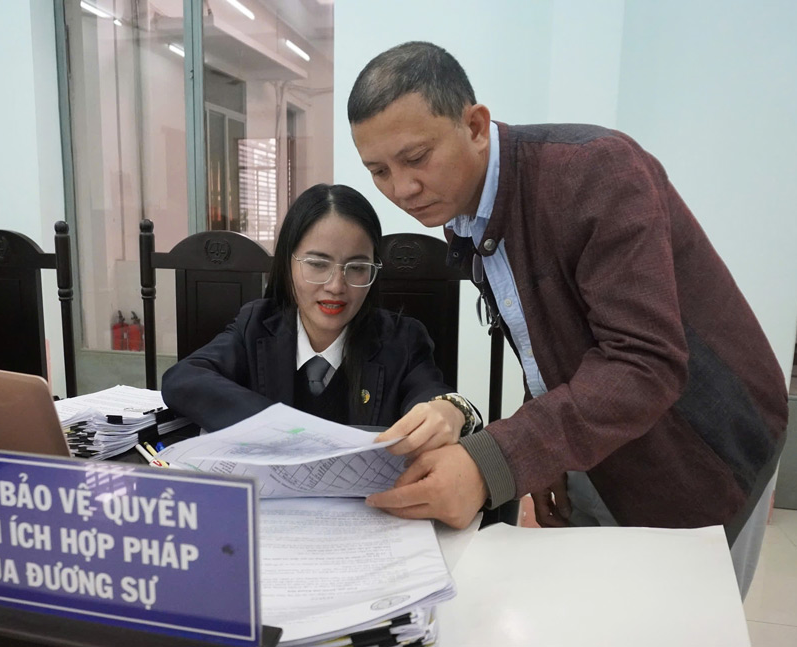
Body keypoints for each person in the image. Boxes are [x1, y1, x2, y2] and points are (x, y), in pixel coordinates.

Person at [347, 41, 787, 596]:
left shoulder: (597, 171)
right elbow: (547, 341)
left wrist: (493, 461)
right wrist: (540, 460)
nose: (401, 190)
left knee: (686, 612)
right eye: (378, 171)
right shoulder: (460, 207)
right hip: (613, 435)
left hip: (707, 439)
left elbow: (644, 362)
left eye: (416, 158)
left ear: (476, 126)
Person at [161, 183, 481, 452]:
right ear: (289, 264)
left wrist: (450, 409)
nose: (336, 286)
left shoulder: (402, 339)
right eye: (317, 264)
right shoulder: (257, 324)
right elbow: (183, 379)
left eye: (357, 267)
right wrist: (283, 428)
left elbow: (430, 393)